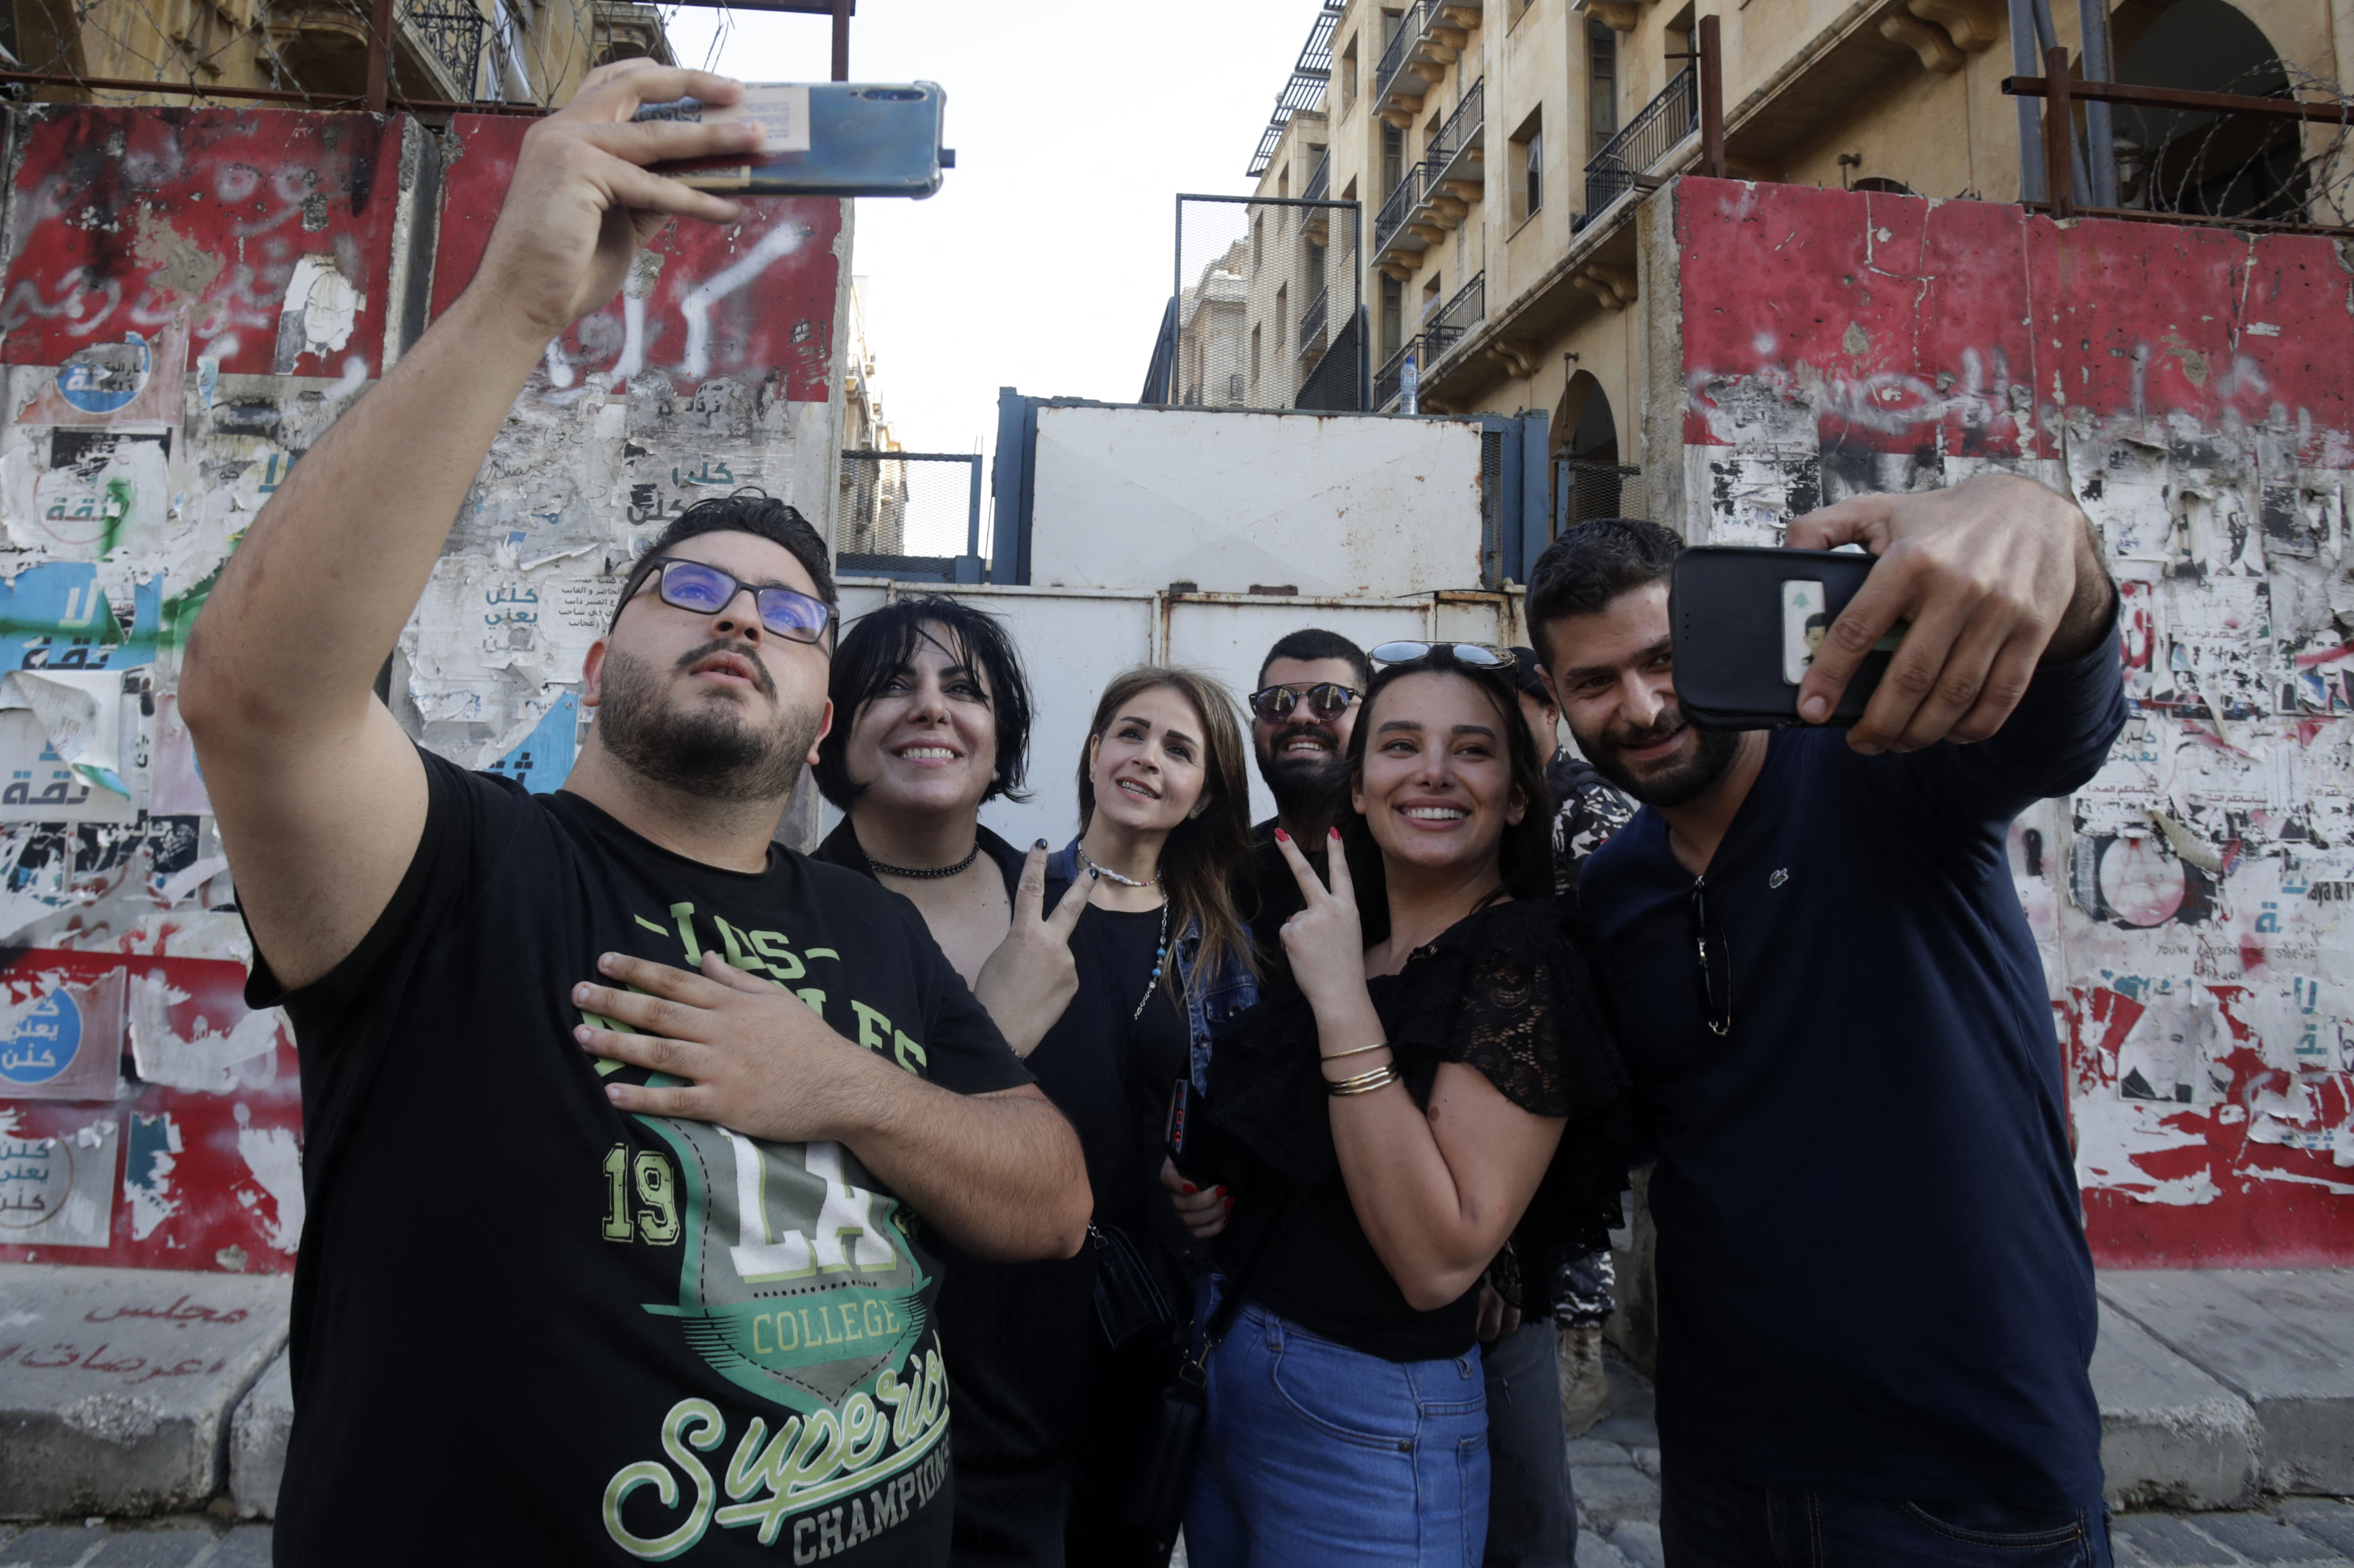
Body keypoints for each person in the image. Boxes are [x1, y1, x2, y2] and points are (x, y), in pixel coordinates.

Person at [178, 63, 1091, 1565]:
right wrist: (518, 303)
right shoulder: (458, 873)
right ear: (598, 665)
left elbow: (1049, 1196)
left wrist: (840, 1084)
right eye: (696, 588)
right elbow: (256, 700)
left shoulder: (867, 926)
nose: (740, 617)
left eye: (790, 617)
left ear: (820, 726)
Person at [1526, 486, 2124, 1568]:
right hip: (1723, 1470)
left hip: (1962, 1476)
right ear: (1558, 699)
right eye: (1596, 682)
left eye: (1665, 659)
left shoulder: (1885, 765)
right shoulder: (1615, 889)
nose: (1643, 706)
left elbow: (2064, 716)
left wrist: (2045, 528)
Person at [1170, 642, 1628, 1567]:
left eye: (1471, 750)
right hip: (1234, 1371)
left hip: (1371, 1423)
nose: (1432, 771)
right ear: (1362, 784)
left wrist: (1341, 1001)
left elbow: (1434, 1260)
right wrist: (1203, 1190)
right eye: (1401, 745)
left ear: (1518, 796)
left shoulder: (1521, 961)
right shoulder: (1355, 937)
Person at [807, 595, 1111, 1566]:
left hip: (1062, 1419)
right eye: (893, 685)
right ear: (833, 730)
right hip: (853, 1428)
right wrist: (997, 1035)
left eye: (964, 690)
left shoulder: (1071, 917)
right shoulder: (783, 926)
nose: (932, 707)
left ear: (1002, 735)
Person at [1046, 664, 1260, 1561]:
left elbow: (1242, 1119)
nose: (1146, 758)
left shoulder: (1220, 944)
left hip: (1149, 1302)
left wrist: (1219, 1190)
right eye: (1130, 734)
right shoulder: (1013, 895)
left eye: (1179, 749)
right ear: (1095, 751)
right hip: (1018, 1281)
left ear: (1203, 793)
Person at [1509, 645, 1634, 1444]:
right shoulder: (1514, 796)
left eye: (1515, 708)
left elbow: (1616, 930)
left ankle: (1582, 1364)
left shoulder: (1585, 802)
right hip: (1523, 1042)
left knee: (1578, 1203)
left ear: (1550, 708)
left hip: (1578, 1040)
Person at [1240, 629, 1370, 956]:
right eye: (1276, 702)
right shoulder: (1218, 876)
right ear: (1255, 728)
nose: (1300, 716)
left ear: (1372, 723)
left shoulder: (1407, 870)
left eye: (1331, 700)